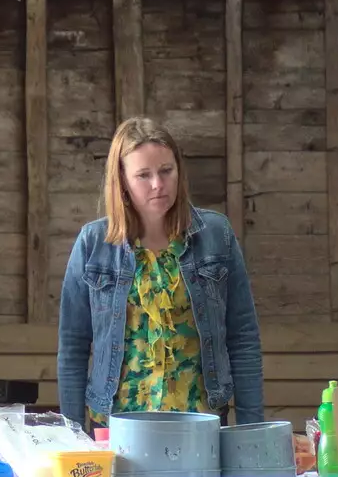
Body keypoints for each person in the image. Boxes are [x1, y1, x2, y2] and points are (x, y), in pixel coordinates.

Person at [57, 117, 263, 428]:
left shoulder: (216, 234)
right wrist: (71, 436)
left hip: (201, 420)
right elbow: (73, 347)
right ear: (122, 180)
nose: (158, 184)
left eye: (166, 171)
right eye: (143, 175)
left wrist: (252, 430)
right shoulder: (92, 243)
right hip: (117, 424)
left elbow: (243, 338)